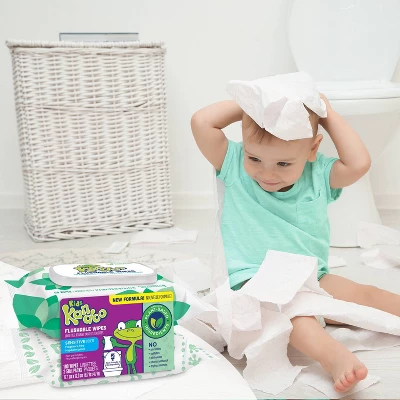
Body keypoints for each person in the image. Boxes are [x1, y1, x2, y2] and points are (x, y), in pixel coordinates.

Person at [191, 93, 400, 393]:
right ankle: (334, 356)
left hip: (311, 276)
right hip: (256, 282)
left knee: (365, 294)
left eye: (283, 163)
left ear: (313, 149)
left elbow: (359, 163)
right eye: (255, 158)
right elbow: (201, 121)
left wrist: (326, 113)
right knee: (296, 318)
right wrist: (253, 103)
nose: (267, 173)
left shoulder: (318, 174)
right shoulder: (234, 164)